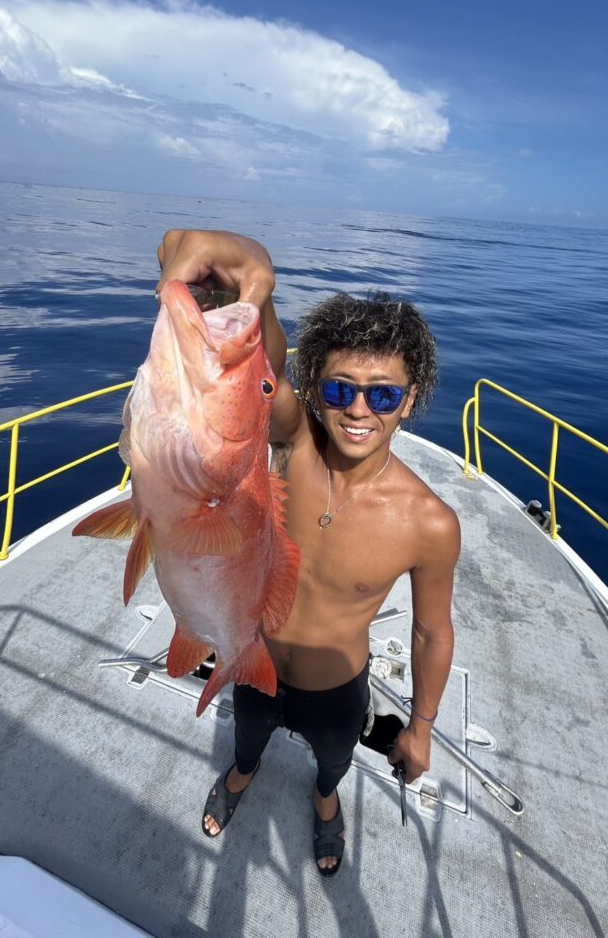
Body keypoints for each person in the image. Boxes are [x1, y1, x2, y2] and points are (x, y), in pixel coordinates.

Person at [157, 229, 460, 877]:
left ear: (408, 401)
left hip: (335, 688)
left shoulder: (430, 523)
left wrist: (421, 728)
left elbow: (432, 631)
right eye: (339, 389)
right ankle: (240, 775)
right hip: (254, 656)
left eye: (382, 394)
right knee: (246, 740)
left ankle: (326, 803)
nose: (358, 410)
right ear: (314, 389)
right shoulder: (293, 444)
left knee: (332, 762)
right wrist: (253, 278)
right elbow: (259, 365)